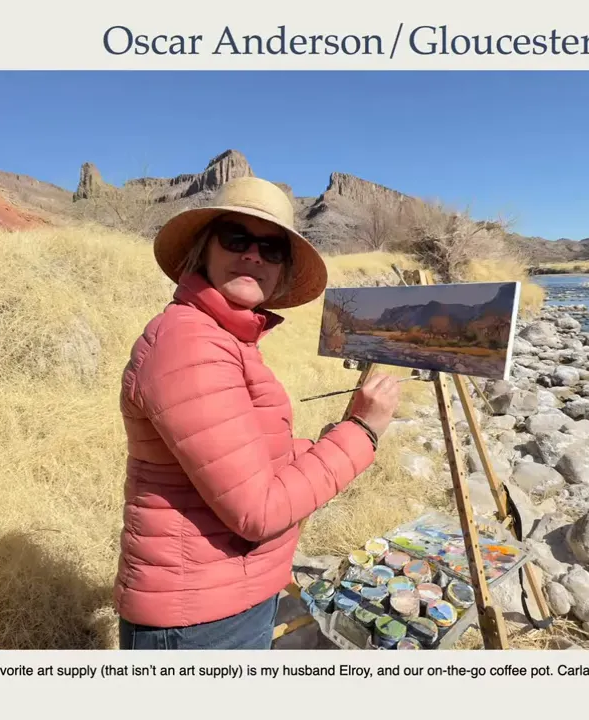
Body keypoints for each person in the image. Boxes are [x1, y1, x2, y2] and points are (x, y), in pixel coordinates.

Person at [113, 176, 401, 650]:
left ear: (283, 268)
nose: (253, 255)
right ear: (204, 250)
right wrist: (362, 430)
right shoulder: (190, 344)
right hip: (199, 622)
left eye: (272, 248)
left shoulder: (222, 338)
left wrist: (323, 442)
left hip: (222, 598)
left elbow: (244, 464)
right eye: (236, 239)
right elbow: (258, 511)